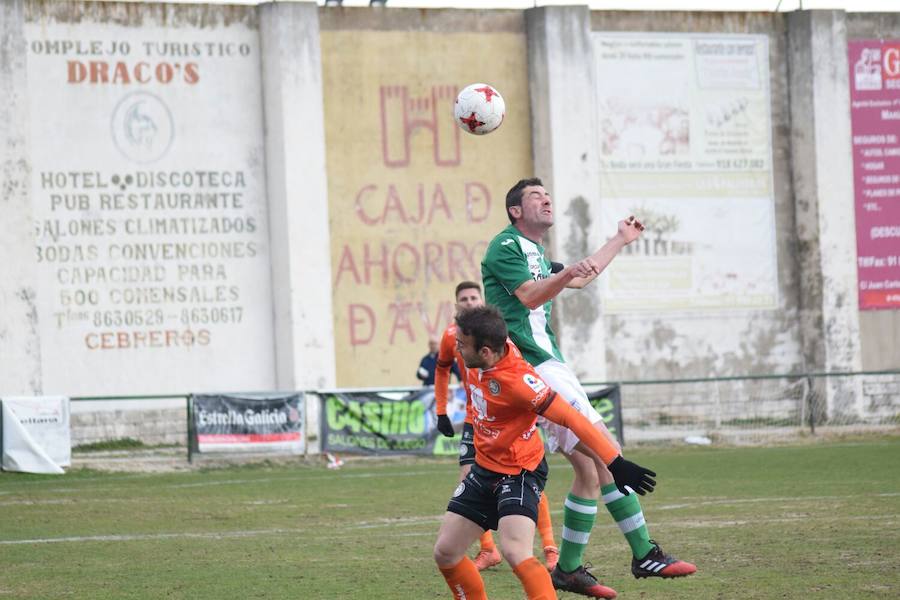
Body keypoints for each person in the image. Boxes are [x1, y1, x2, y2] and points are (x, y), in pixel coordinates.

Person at [480, 178, 696, 597]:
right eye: (535, 197)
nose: (546, 199)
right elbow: (528, 296)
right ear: (515, 211)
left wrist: (619, 239)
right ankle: (643, 552)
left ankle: (570, 568)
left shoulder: (536, 253)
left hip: (546, 364)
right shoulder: (505, 246)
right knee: (604, 450)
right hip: (534, 366)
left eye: (547, 195)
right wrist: (564, 276)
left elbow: (579, 277)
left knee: (589, 470)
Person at [433, 305, 656, 600]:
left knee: (515, 552)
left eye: (462, 345)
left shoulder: (520, 383)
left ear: (486, 351)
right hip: (485, 468)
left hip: (519, 472)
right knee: (446, 552)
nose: (457, 348)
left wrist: (613, 461)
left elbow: (571, 418)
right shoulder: (485, 352)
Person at [434, 281, 559, 572]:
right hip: (474, 419)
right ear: (457, 305)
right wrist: (441, 410)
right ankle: (488, 550)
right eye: (462, 298)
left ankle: (551, 548)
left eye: (473, 297)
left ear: (482, 300)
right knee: (469, 478)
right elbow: (441, 370)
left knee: (526, 481)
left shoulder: (499, 336)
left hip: (506, 422)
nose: (468, 302)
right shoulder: (451, 336)